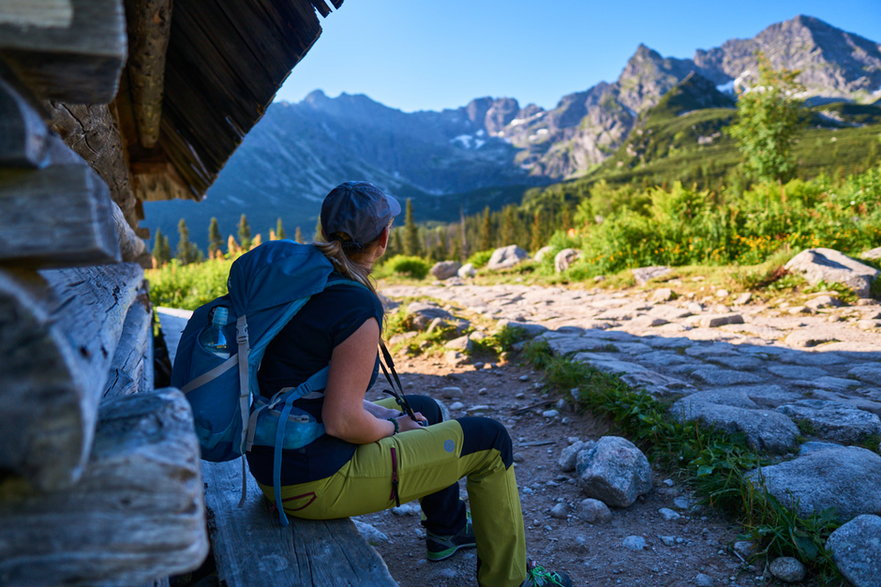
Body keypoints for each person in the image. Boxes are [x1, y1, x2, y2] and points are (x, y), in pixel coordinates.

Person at [245, 181, 571, 587]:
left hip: (276, 459)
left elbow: (313, 393)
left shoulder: (307, 283)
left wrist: (388, 414)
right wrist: (395, 426)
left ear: (327, 232)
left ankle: (447, 530)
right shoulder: (355, 305)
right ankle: (511, 580)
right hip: (311, 485)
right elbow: (342, 421)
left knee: (426, 408)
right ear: (382, 239)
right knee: (490, 441)